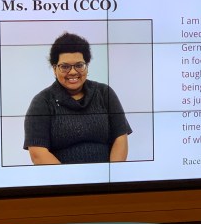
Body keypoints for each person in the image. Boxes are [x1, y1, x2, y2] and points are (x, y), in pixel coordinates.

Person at [24, 32, 132, 164]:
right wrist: (71, 176)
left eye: (79, 65)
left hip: (105, 175)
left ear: (87, 66)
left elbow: (120, 137)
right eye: (65, 67)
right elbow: (38, 153)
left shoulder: (104, 93)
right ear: (54, 69)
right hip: (61, 176)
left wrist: (112, 173)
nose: (73, 72)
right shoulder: (42, 102)